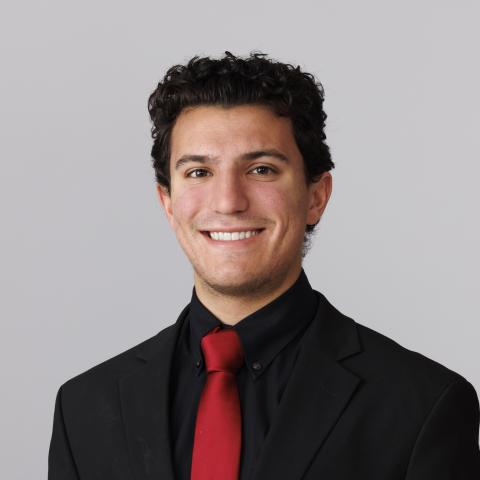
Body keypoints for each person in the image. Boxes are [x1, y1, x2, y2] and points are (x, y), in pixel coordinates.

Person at [48, 52, 480, 480]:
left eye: (261, 169)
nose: (229, 202)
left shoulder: (422, 406)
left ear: (316, 196)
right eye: (199, 172)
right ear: (168, 203)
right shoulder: (84, 407)